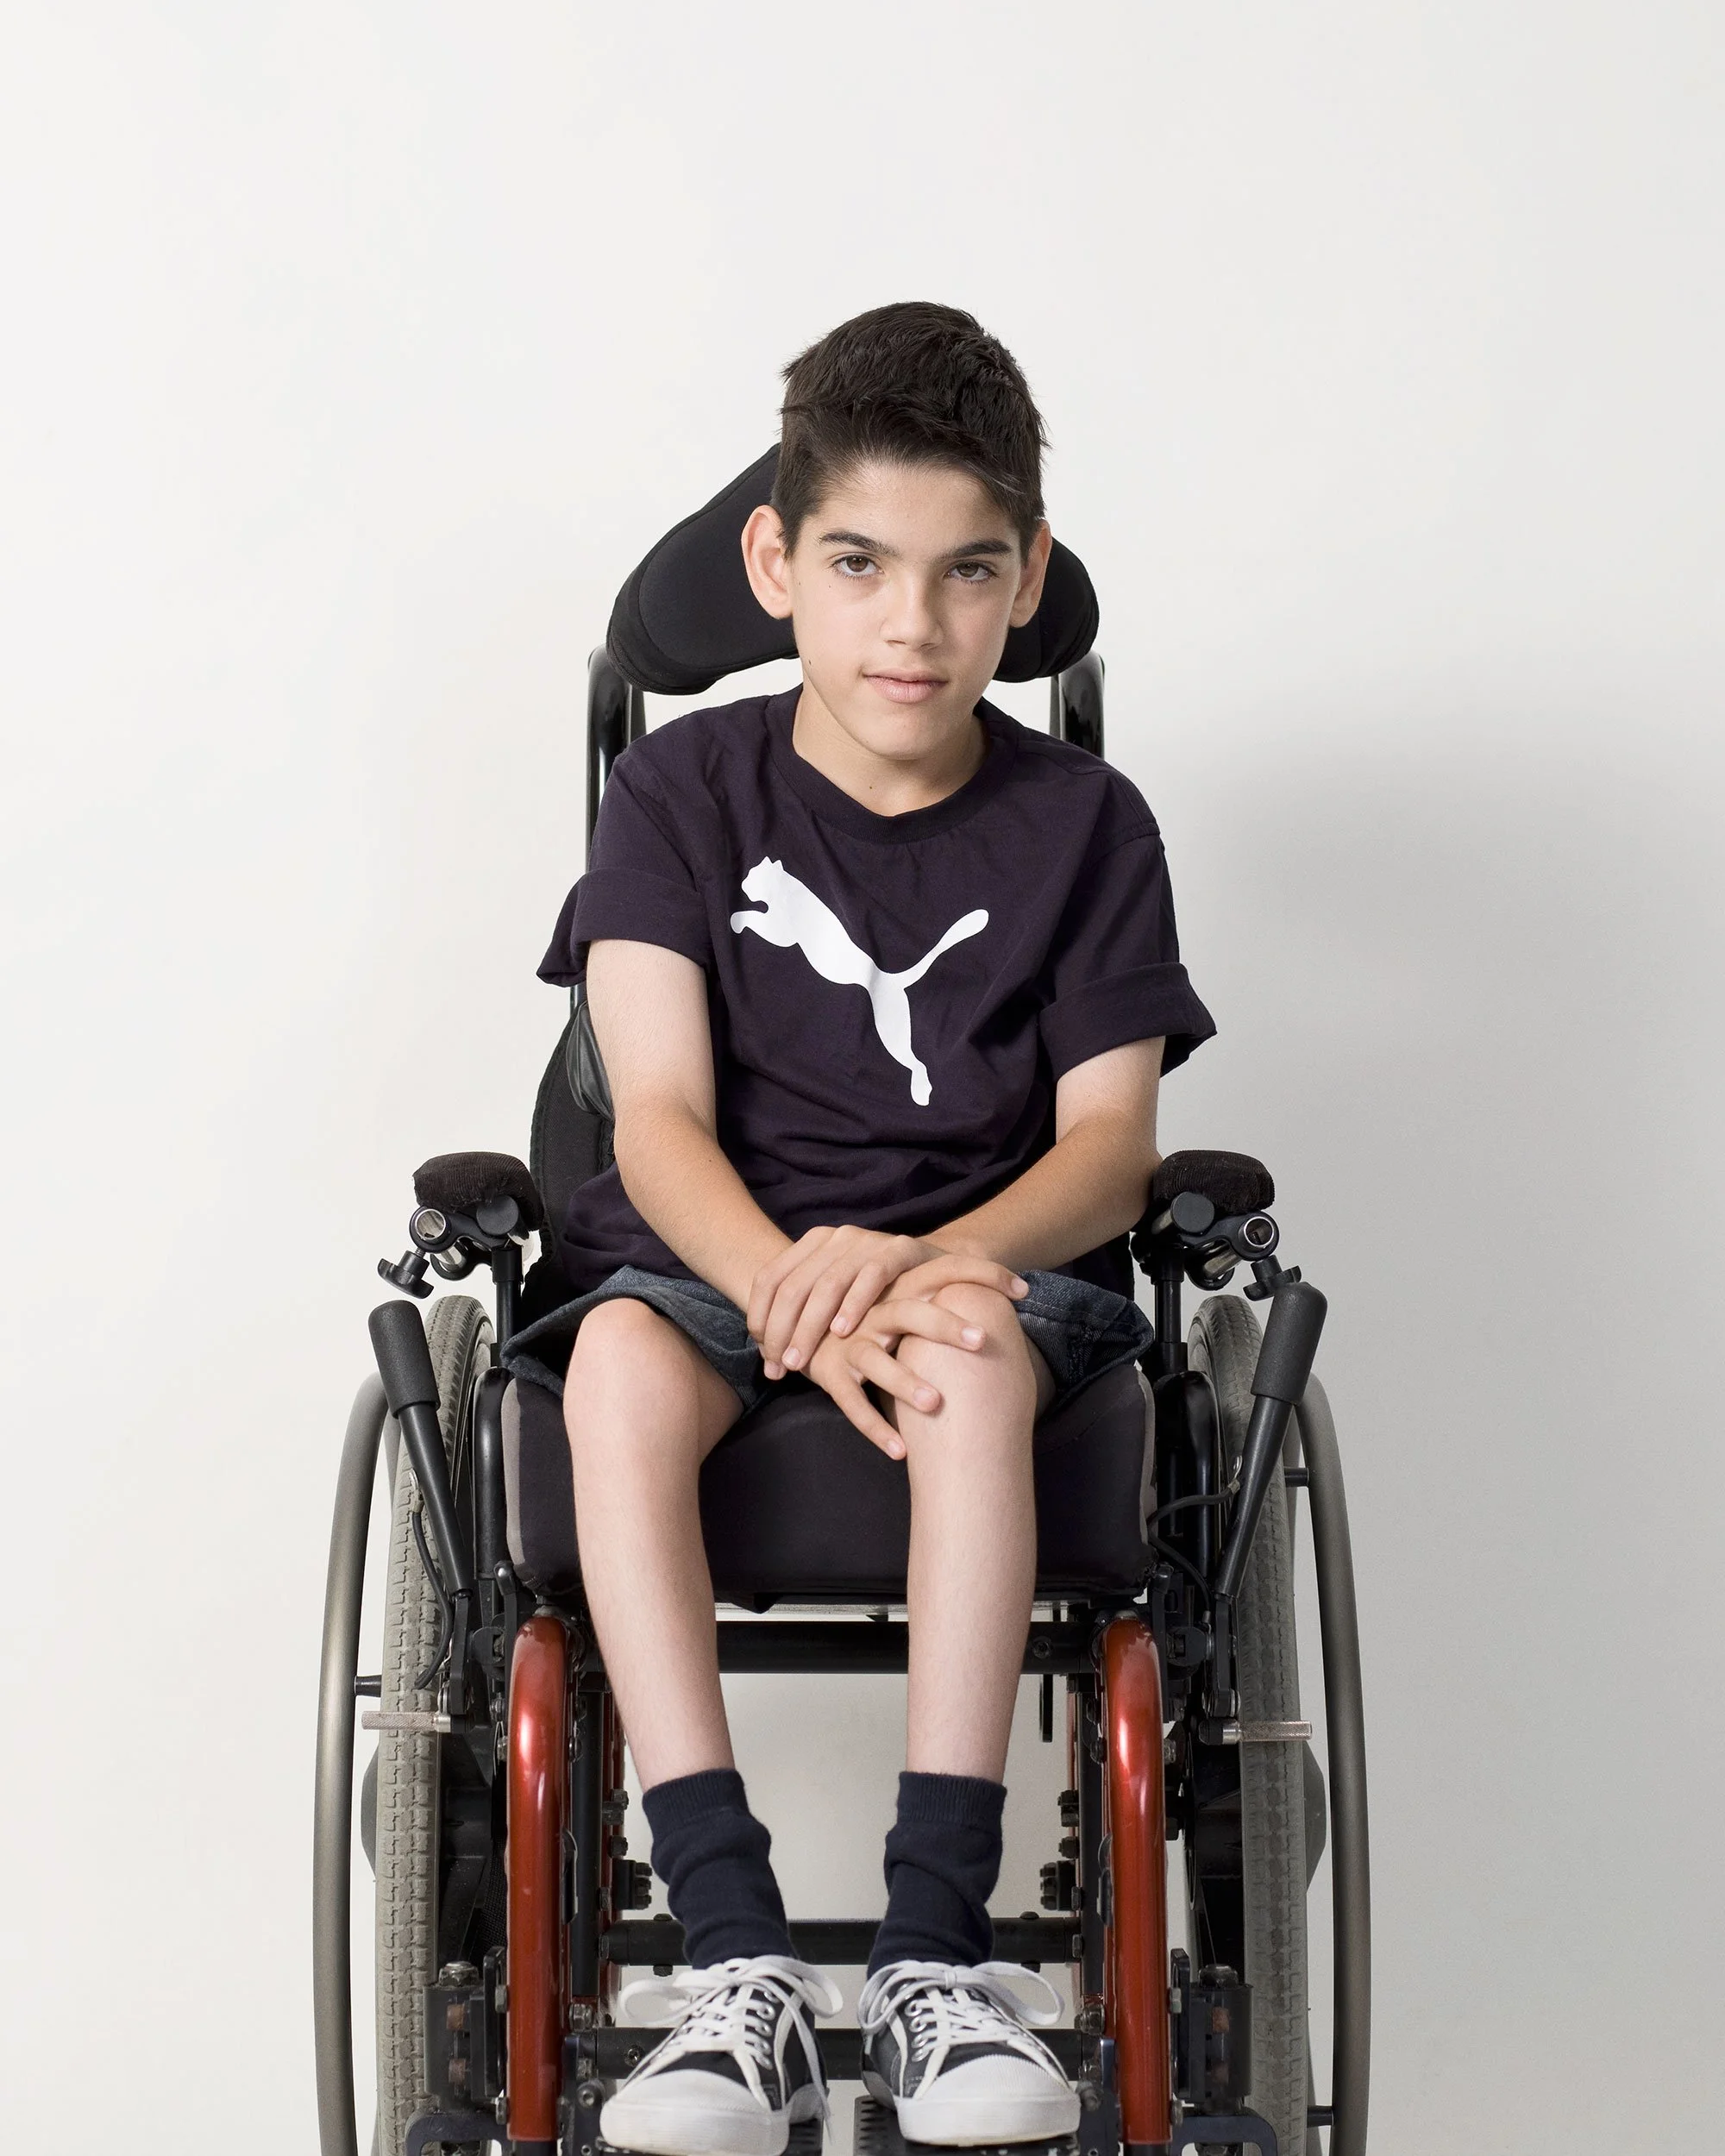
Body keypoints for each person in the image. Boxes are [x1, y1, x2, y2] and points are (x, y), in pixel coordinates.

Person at [511, 300, 1215, 2156]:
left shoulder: (1088, 823)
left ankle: (932, 1950)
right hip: (713, 1257)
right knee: (613, 1364)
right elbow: (649, 1112)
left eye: (965, 572)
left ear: (1024, 577)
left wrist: (920, 1265)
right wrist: (774, 1284)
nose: (912, 622)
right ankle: (732, 1957)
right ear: (775, 566)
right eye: (859, 564)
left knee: (971, 1352)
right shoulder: (680, 792)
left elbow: (1112, 1147)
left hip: (982, 1262)